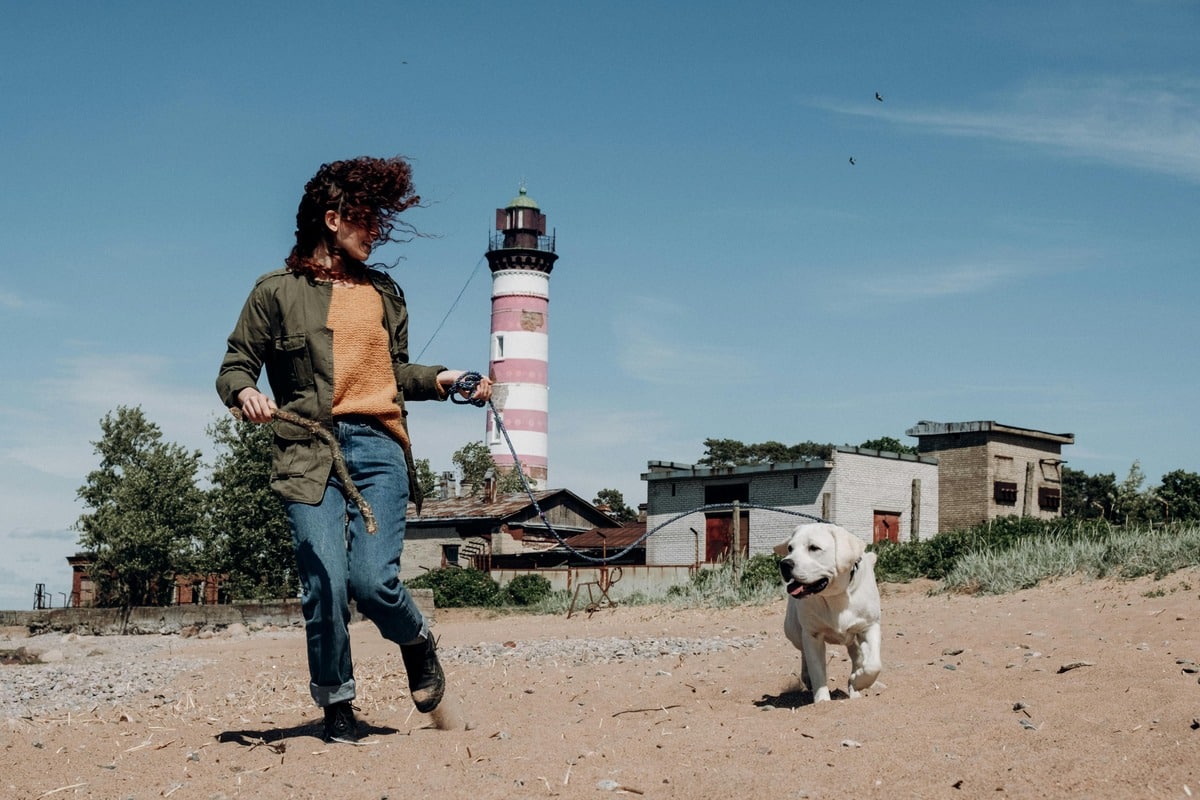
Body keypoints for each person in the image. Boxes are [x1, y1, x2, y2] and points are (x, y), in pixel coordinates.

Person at [216, 156, 491, 744]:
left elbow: (393, 372)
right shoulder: (275, 292)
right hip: (308, 449)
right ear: (332, 219)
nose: (376, 233)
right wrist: (245, 392)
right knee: (325, 583)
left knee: (373, 583)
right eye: (366, 220)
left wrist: (445, 379)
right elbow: (236, 364)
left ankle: (417, 641)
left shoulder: (384, 293)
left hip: (378, 446)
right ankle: (337, 704)